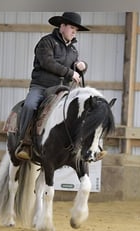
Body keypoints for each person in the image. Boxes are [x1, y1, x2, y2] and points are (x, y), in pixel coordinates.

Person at [15, 12, 90, 160]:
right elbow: (47, 62)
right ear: (62, 26)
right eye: (72, 27)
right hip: (42, 87)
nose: (74, 31)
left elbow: (74, 68)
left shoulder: (73, 50)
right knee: (30, 105)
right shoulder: (46, 42)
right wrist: (70, 72)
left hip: (63, 89)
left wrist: (82, 66)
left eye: (76, 29)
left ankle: (80, 145)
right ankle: (24, 142)